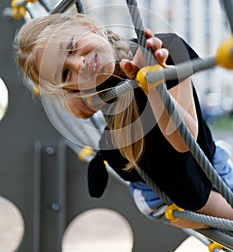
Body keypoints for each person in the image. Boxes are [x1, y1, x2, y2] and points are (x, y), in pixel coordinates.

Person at [15, 13, 233, 229]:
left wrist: (154, 84)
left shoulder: (165, 48)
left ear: (86, 24)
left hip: (199, 167)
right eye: (65, 73)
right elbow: (79, 111)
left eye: (71, 47)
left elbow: (185, 140)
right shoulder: (92, 84)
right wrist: (75, 91)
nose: (79, 65)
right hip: (167, 190)